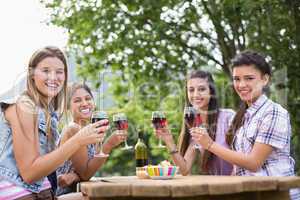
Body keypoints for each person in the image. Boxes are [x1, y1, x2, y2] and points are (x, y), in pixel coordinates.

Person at [0, 46, 107, 200]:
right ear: (32, 75)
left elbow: (47, 167)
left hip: (44, 192)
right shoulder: (23, 106)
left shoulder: (47, 113)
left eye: (59, 71)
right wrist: (77, 141)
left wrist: (73, 175)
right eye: (46, 71)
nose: (54, 77)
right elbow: (30, 173)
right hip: (20, 195)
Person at [191, 50, 300, 200]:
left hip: (276, 194)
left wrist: (209, 144)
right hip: (252, 194)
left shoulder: (273, 112)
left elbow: (253, 163)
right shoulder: (243, 116)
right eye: (237, 79)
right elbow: (240, 168)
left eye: (249, 78)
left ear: (265, 79)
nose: (241, 85)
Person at [155, 70, 235, 175]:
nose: (196, 95)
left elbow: (241, 160)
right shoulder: (194, 125)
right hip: (217, 187)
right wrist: (169, 141)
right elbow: (184, 169)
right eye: (191, 90)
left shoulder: (228, 117)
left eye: (201, 89)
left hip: (237, 185)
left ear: (211, 92)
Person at [56, 83, 127, 198]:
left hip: (78, 191)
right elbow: (85, 174)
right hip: (65, 194)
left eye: (88, 98)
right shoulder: (73, 129)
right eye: (77, 100)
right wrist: (109, 144)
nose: (84, 103)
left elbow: (91, 166)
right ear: (68, 107)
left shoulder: (89, 129)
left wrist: (75, 176)